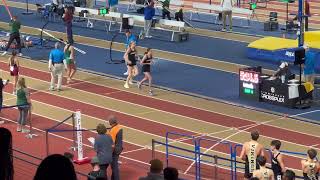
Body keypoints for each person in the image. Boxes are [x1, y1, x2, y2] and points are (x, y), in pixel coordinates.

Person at [107, 115, 123, 180]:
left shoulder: (113, 130)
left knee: (114, 167)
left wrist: (110, 152)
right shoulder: (119, 127)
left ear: (111, 122)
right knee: (114, 165)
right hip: (119, 148)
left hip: (115, 150)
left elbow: (112, 144)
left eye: (109, 121)